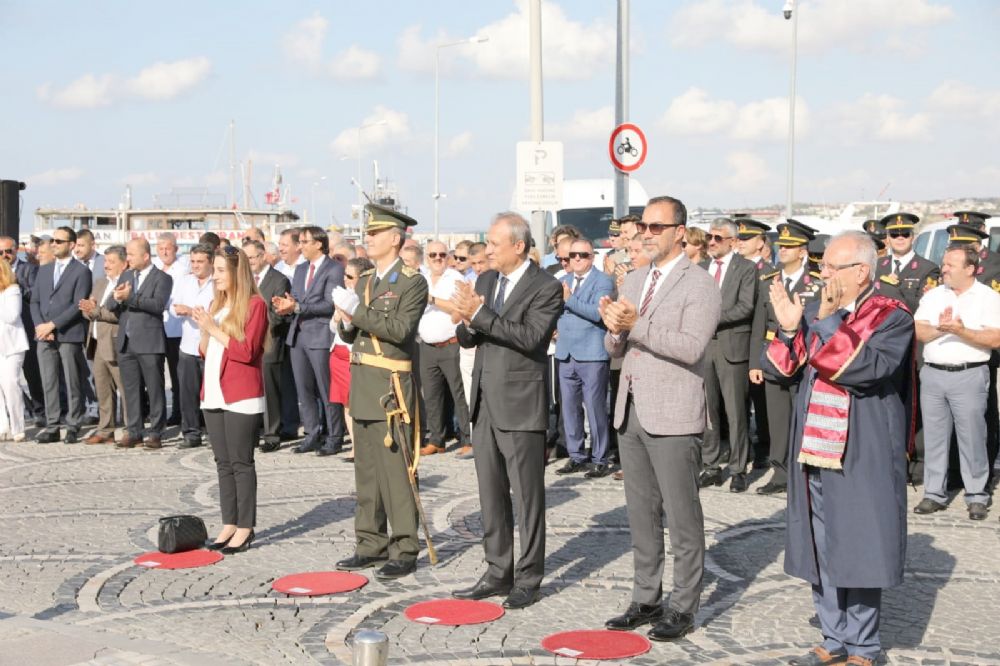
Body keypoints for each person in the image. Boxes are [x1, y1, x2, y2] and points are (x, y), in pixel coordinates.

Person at [762, 231, 914, 666]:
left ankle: (864, 644)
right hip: (814, 445)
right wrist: (791, 327)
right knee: (821, 540)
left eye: (830, 266)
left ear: (861, 271)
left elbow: (866, 368)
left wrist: (825, 322)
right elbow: (785, 369)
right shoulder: (814, 310)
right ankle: (832, 637)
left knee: (860, 539)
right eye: (822, 265)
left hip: (861, 444)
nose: (821, 273)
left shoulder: (892, 315)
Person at [599, 196, 720, 641]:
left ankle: (683, 606)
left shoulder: (699, 284)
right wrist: (613, 327)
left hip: (673, 412)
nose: (645, 234)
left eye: (655, 227)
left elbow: (691, 347)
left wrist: (635, 325)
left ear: (679, 233)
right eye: (643, 227)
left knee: (682, 517)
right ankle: (646, 596)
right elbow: (617, 348)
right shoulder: (633, 278)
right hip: (630, 408)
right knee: (641, 515)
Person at [450, 212, 562, 610]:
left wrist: (480, 315)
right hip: (484, 402)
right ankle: (498, 570)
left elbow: (531, 338)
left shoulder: (546, 286)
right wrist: (465, 318)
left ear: (519, 245)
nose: (488, 251)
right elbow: (468, 338)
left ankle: (528, 577)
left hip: (520, 405)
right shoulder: (486, 280)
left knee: (528, 497)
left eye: (495, 244)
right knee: (491, 494)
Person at [333, 204, 428, 581]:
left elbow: (399, 330)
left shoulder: (411, 281)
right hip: (364, 383)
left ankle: (404, 546)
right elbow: (356, 333)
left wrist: (357, 312)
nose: (367, 238)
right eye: (366, 233)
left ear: (395, 238)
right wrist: (343, 320)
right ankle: (369, 542)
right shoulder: (368, 279)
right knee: (367, 472)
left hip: (391, 388)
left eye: (374, 233)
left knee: (397, 471)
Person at [912, 244, 1000, 520]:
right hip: (934, 374)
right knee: (935, 438)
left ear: (970, 269)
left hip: (969, 374)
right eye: (944, 263)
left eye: (951, 265)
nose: (944, 269)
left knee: (973, 437)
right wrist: (942, 328)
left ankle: (976, 495)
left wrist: (962, 331)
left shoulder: (988, 297)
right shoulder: (935, 295)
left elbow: (995, 339)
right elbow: (919, 330)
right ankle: (934, 494)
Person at [196, 246, 268, 555]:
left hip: (241, 395)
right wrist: (205, 330)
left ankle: (245, 527)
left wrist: (213, 328)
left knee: (241, 462)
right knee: (222, 463)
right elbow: (206, 350)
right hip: (213, 391)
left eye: (222, 270)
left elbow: (246, 352)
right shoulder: (218, 303)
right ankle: (229, 522)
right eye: (215, 270)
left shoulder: (255, 305)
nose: (216, 276)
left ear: (237, 273)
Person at [749, 221, 821, 495]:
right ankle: (780, 472)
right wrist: (755, 362)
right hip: (773, 359)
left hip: (804, 361)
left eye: (790, 246)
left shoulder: (816, 283)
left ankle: (804, 471)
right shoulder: (768, 280)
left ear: (803, 251)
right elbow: (758, 324)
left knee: (803, 415)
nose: (784, 250)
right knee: (778, 419)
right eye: (781, 245)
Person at [272, 226, 347, 456]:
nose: (301, 245)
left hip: (320, 335)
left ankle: (334, 436)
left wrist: (297, 306)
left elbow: (329, 304)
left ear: (318, 243)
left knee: (326, 390)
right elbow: (296, 297)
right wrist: (286, 305)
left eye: (305, 241)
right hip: (298, 335)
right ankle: (312, 434)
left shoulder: (333, 268)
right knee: (304, 391)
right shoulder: (302, 268)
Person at [698, 217, 757, 492]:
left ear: (732, 241)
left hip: (732, 347)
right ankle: (710, 466)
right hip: (703, 348)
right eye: (710, 237)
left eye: (717, 238)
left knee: (736, 414)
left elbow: (745, 307)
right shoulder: (700, 267)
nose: (711, 242)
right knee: (708, 411)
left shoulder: (746, 268)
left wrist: (710, 318)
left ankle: (738, 469)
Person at [554, 238, 616, 478]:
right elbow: (553, 311)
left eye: (583, 255)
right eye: (572, 255)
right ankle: (576, 455)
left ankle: (600, 458)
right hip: (566, 352)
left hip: (592, 354)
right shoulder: (563, 280)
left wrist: (569, 299)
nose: (577, 259)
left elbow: (597, 313)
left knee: (595, 408)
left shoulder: (603, 281)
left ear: (592, 257)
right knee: (569, 409)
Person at [30, 226, 93, 444]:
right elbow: (35, 300)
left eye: (59, 241)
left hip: (69, 333)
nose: (53, 244)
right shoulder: (44, 269)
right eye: (53, 241)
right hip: (44, 336)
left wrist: (53, 325)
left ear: (71, 245)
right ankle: (53, 425)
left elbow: (78, 304)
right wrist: (40, 325)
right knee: (49, 382)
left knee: (72, 380)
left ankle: (74, 423)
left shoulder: (81, 271)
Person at [111, 239, 173, 449]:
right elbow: (113, 305)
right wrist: (118, 297)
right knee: (130, 390)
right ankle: (134, 430)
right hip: (126, 341)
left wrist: (131, 298)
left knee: (155, 389)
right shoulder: (127, 274)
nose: (127, 258)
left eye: (131, 254)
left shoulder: (162, 278)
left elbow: (157, 305)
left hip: (149, 341)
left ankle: (156, 431)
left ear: (145, 256)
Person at [417, 240, 471, 456]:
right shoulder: (420, 279)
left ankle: (468, 438)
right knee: (431, 395)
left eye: (441, 254)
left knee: (459, 394)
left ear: (448, 257)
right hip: (427, 345)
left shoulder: (456, 278)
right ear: (426, 258)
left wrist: (431, 299)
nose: (438, 258)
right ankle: (437, 440)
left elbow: (458, 308)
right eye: (433, 255)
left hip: (451, 344)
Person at [244, 240, 293, 453]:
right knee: (250, 389)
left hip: (269, 341)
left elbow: (279, 315)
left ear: (263, 256)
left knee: (270, 390)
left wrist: (255, 325)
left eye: (252, 258)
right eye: (245, 259)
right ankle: (252, 432)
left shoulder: (279, 280)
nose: (249, 262)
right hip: (246, 341)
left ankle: (272, 434)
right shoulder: (245, 279)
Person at [78, 245, 128, 445]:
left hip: (116, 343)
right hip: (97, 343)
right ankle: (105, 428)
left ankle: (129, 428)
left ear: (123, 264)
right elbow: (86, 310)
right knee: (103, 389)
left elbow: (119, 315)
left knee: (125, 390)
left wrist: (95, 310)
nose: (106, 265)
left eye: (111, 262)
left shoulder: (125, 285)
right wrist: (90, 310)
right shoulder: (100, 283)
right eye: (105, 261)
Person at [170, 244, 216, 448]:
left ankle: (215, 433)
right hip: (188, 345)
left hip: (212, 345)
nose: (195, 265)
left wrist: (191, 312)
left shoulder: (218, 282)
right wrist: (181, 311)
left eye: (200, 261)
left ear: (211, 262)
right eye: (193, 261)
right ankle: (191, 433)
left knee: (213, 392)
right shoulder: (185, 280)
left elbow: (216, 314)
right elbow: (172, 307)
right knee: (187, 393)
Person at [329, 257, 373, 462]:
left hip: (353, 354)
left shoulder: (366, 298)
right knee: (345, 403)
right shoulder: (343, 295)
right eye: (344, 275)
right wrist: (337, 319)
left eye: (349, 276)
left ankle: (364, 446)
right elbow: (332, 326)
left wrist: (349, 318)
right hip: (337, 353)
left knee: (356, 401)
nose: (345, 279)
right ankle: (355, 445)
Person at [0, 235, 44, 424]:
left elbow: (35, 295)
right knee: (8, 380)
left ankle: (41, 412)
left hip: (25, 330)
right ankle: (14, 413)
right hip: (3, 334)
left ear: (16, 250)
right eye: (0, 252)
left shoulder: (29, 270)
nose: (4, 255)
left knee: (33, 374)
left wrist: (15, 286)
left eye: (8, 251)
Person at [154, 232, 190, 428]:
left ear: (175, 249)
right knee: (158, 374)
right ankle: (161, 413)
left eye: (168, 248)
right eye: (160, 249)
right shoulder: (155, 268)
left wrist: (160, 304)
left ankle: (180, 412)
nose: (164, 252)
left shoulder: (183, 270)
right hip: (157, 328)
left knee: (178, 376)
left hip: (176, 328)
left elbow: (178, 298)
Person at [874, 213, 940, 313]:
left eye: (905, 234)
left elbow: (923, 308)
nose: (900, 238)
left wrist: (893, 289)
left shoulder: (928, 269)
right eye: (894, 234)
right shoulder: (877, 265)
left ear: (912, 237)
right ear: (887, 239)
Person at [0, 259, 29, 442]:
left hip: (12, 346)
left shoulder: (12, 290)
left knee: (11, 383)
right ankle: (2, 425)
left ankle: (18, 427)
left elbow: (12, 316)